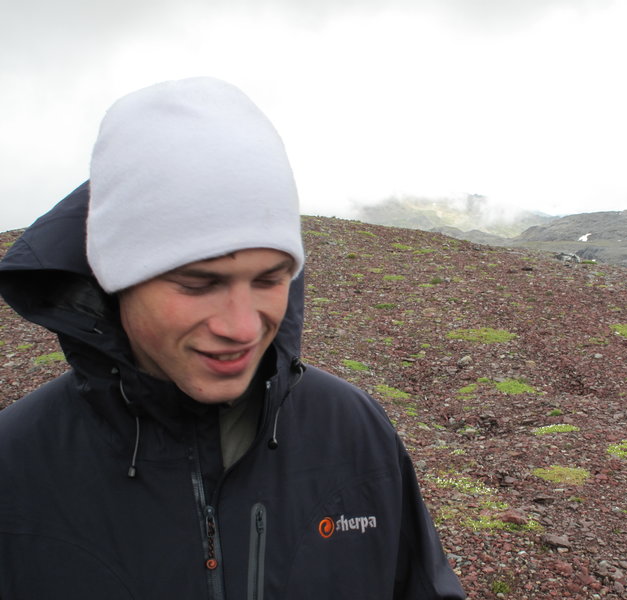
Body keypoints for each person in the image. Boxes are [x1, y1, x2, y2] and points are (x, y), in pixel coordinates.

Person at [0, 77, 464, 599]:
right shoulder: (15, 465)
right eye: (199, 284)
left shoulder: (353, 430)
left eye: (269, 280)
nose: (242, 328)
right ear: (115, 278)